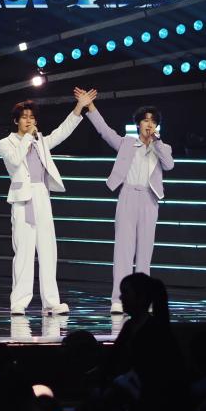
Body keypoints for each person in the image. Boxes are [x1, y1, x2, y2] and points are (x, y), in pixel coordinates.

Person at [75, 89, 174, 313]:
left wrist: (157, 142)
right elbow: (105, 131)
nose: (149, 124)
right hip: (128, 195)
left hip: (149, 199)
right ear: (138, 124)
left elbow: (169, 165)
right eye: (145, 120)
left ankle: (143, 300)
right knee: (123, 251)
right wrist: (90, 107)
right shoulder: (127, 143)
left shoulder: (162, 147)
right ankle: (118, 299)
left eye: (153, 121)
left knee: (145, 252)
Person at [0, 91, 95, 315]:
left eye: (32, 117)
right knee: (23, 251)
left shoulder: (40, 141)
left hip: (41, 195)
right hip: (22, 199)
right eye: (24, 117)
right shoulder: (6, 143)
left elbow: (62, 132)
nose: (29, 120)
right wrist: (28, 138)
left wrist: (79, 108)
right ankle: (19, 302)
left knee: (48, 250)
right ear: (16, 120)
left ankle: (51, 302)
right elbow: (14, 160)